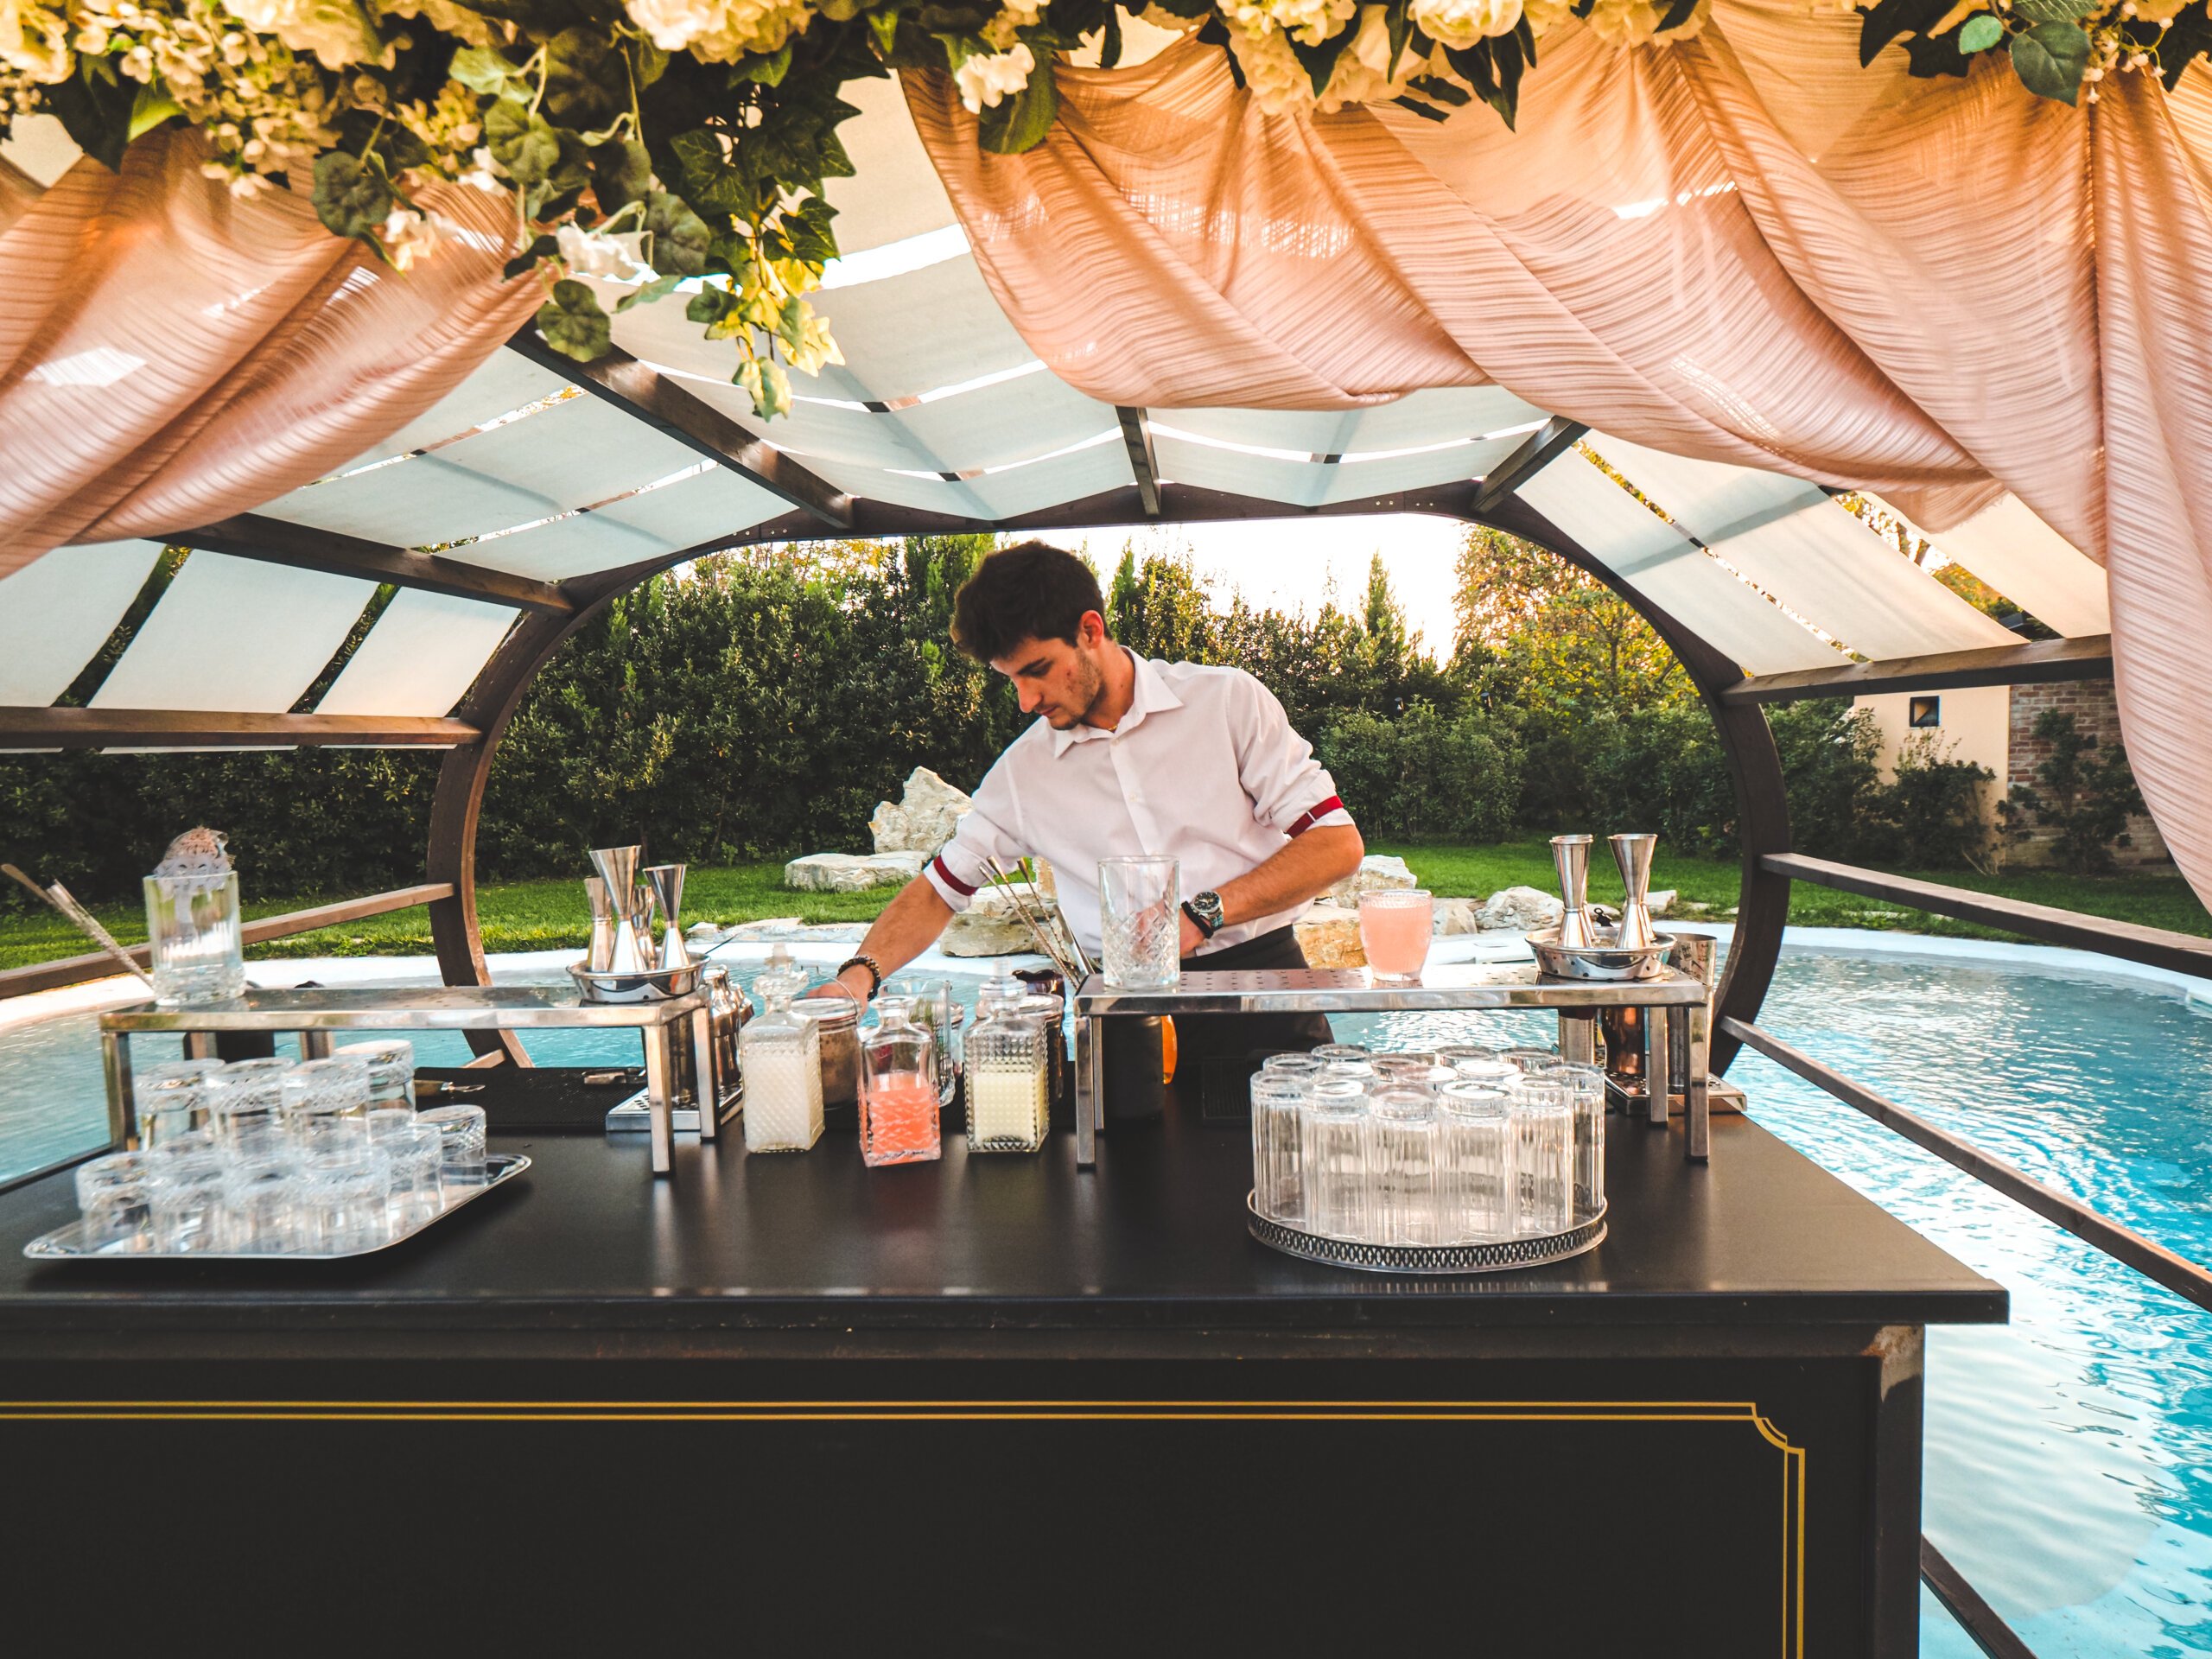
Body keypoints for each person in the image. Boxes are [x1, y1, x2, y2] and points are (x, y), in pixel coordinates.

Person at [830, 541, 1365, 1074]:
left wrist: (1203, 912)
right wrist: (855, 977)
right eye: (1012, 679)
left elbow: (1336, 844)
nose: (1026, 700)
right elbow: (940, 888)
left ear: (1090, 629)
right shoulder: (1024, 773)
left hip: (1262, 989)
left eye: (1038, 669)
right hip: (1121, 1014)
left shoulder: (1227, 702)